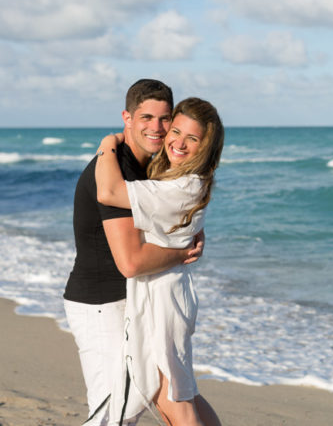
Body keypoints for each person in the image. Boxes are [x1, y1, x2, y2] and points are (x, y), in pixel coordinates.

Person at [63, 79, 204, 426]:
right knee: (114, 411)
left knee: (173, 392)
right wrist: (182, 252)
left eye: (164, 118)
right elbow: (130, 262)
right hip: (101, 304)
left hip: (135, 302)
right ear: (127, 117)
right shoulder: (117, 170)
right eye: (146, 117)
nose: (156, 127)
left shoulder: (149, 168)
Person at [91, 97, 224, 426]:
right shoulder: (182, 180)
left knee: (171, 398)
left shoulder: (180, 186)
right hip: (169, 293)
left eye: (192, 139)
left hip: (162, 298)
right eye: (175, 131)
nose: (178, 142)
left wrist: (108, 143)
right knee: (181, 392)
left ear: (206, 146)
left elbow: (108, 192)